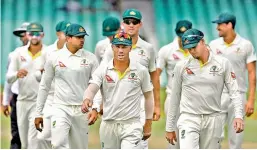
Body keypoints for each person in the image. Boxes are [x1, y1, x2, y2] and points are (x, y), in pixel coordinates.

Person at [165, 29, 244, 149]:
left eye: (194, 47)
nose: (192, 51)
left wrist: (238, 115)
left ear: (202, 41)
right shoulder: (181, 66)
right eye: (189, 48)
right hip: (189, 118)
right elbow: (174, 97)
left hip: (213, 119)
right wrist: (169, 127)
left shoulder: (222, 63)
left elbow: (234, 92)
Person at [81, 31, 154, 149]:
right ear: (112, 47)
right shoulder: (103, 69)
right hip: (109, 125)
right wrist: (87, 99)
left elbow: (148, 96)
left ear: (130, 48)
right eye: (117, 46)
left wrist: (148, 123)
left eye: (124, 47)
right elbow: (92, 87)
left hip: (132, 125)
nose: (120, 50)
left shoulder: (141, 70)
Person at [101, 8, 160, 148]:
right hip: (115, 105)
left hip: (139, 105)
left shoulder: (148, 48)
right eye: (128, 22)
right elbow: (101, 75)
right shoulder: (112, 48)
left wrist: (157, 105)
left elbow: (154, 78)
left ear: (140, 24)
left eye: (135, 22)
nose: (131, 25)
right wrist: (100, 102)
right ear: (123, 24)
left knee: (139, 146)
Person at [34, 23, 98, 149]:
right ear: (68, 38)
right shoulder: (54, 57)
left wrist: (95, 108)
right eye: (78, 37)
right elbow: (44, 86)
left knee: (79, 147)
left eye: (83, 37)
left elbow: (96, 84)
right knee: (57, 144)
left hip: (81, 110)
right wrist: (38, 113)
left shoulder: (91, 58)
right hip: (60, 107)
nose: (82, 40)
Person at [209, 12, 256, 148]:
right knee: (214, 136)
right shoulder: (213, 45)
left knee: (236, 137)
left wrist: (251, 100)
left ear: (230, 25)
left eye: (220, 24)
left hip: (238, 95)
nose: (217, 28)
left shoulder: (246, 45)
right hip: (217, 96)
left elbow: (252, 73)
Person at [6, 22, 47, 149]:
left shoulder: (48, 53)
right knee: (24, 143)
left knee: (33, 141)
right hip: (22, 101)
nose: (34, 37)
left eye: (37, 34)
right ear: (27, 35)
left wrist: (43, 73)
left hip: (39, 103)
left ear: (43, 35)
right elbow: (8, 78)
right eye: (31, 34)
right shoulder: (18, 53)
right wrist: (17, 74)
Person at [34, 20, 71, 149]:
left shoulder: (75, 52)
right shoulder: (48, 51)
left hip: (67, 100)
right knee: (42, 137)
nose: (67, 37)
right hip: (50, 99)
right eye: (64, 34)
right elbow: (37, 76)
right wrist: (41, 73)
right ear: (57, 34)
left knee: (62, 140)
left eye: (70, 34)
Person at [157, 20, 192, 149]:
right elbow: (156, 75)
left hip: (194, 100)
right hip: (173, 99)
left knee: (192, 139)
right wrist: (155, 103)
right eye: (180, 35)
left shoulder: (199, 50)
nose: (183, 39)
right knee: (173, 140)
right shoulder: (166, 50)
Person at [2, 22, 30, 149]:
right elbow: (9, 80)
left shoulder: (45, 53)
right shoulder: (13, 55)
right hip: (18, 98)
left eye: (24, 34)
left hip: (36, 98)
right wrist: (5, 101)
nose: (22, 37)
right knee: (17, 134)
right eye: (21, 35)